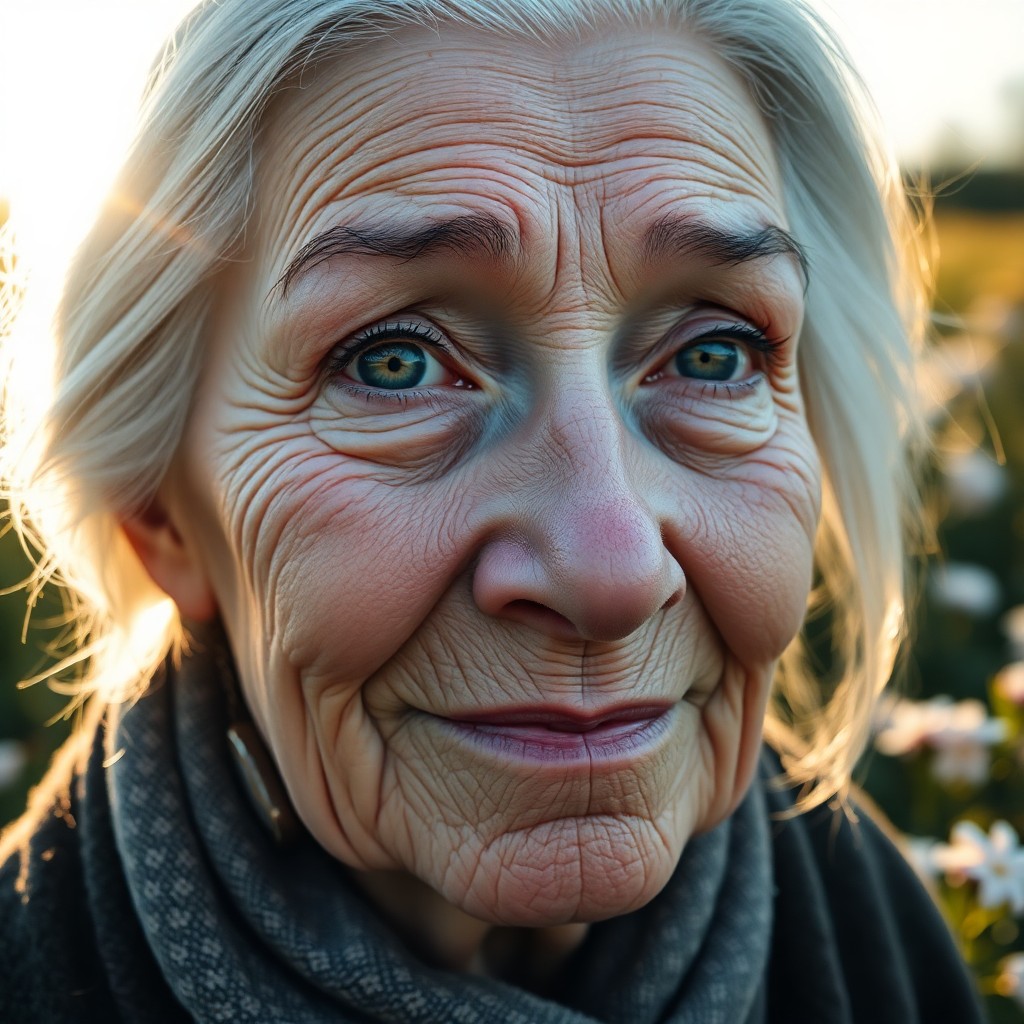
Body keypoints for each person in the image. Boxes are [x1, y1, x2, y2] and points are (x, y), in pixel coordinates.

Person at [0, 0, 986, 1020]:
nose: (610, 570)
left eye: (713, 354)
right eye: (396, 363)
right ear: (157, 508)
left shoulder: (893, 954)